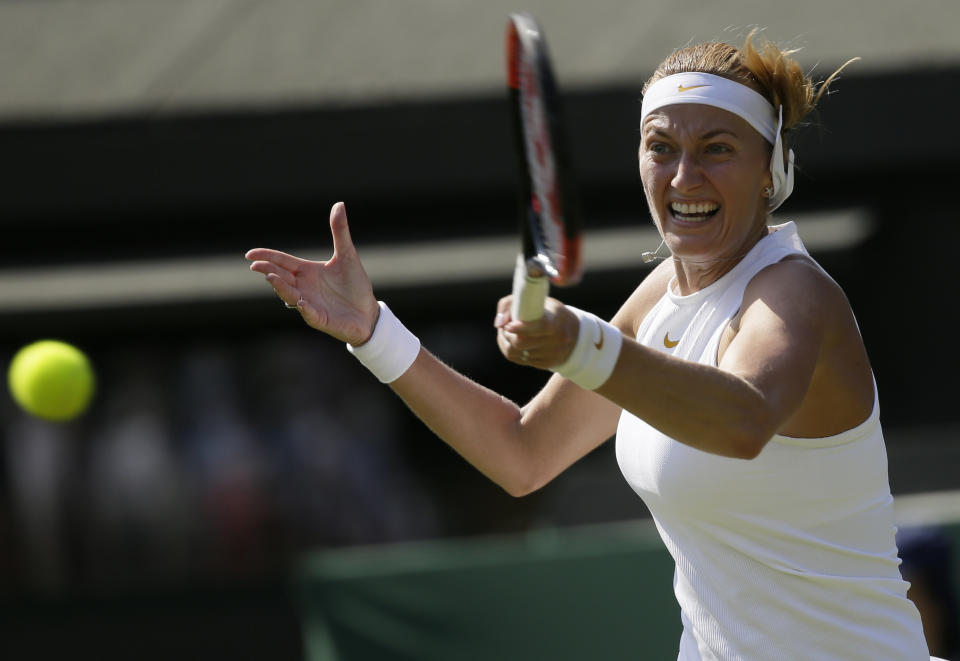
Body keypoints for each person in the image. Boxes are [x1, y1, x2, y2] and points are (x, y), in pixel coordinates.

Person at [247, 32, 934, 661]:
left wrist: (583, 344)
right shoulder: (661, 294)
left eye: (717, 148)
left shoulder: (795, 295)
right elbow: (524, 451)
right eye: (662, 147)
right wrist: (374, 332)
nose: (684, 176)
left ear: (770, 169)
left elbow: (744, 418)